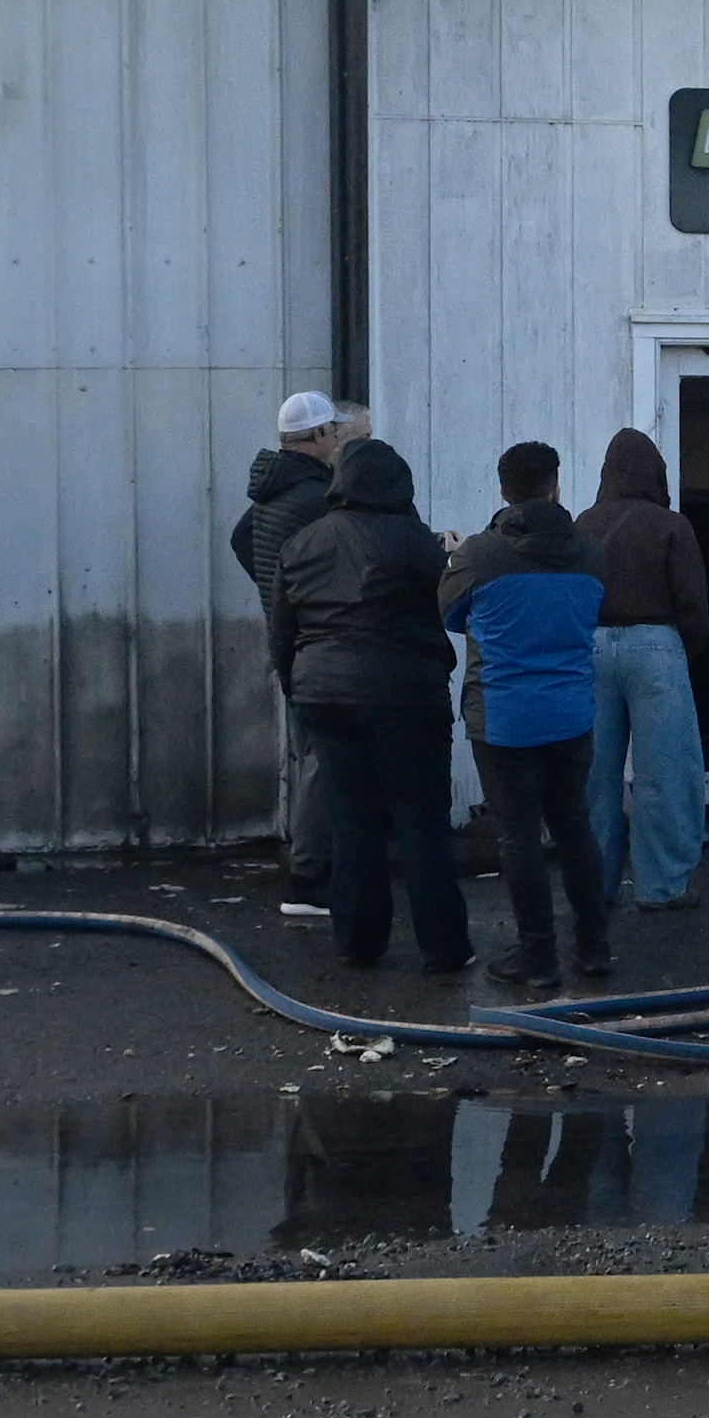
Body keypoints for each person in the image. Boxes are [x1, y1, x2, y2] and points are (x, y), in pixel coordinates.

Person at [267, 437, 471, 972]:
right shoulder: (416, 543)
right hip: (406, 693)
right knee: (421, 822)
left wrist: (300, 686)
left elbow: (281, 633)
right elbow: (451, 605)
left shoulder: (302, 542)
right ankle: (444, 948)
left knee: (352, 819)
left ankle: (359, 941)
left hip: (323, 694)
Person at [440, 441, 615, 990]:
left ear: (502, 489)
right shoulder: (592, 553)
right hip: (571, 713)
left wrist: (452, 559)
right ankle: (594, 946)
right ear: (555, 486)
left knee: (518, 836)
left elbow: (448, 613)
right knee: (573, 825)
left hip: (504, 715)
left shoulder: (477, 555)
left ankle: (537, 957)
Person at [575, 428, 709, 912]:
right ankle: (663, 886)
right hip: (656, 645)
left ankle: (595, 887)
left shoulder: (584, 523)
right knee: (665, 773)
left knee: (595, 775)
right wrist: (683, 650)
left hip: (590, 648)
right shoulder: (671, 525)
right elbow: (692, 604)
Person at [228, 390, 349, 919]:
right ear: (319, 437)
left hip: (289, 637)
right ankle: (310, 879)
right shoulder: (315, 496)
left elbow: (240, 539)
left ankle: (320, 864)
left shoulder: (271, 492)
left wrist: (270, 587)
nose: (341, 441)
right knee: (325, 762)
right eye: (337, 433)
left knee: (313, 757)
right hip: (316, 639)